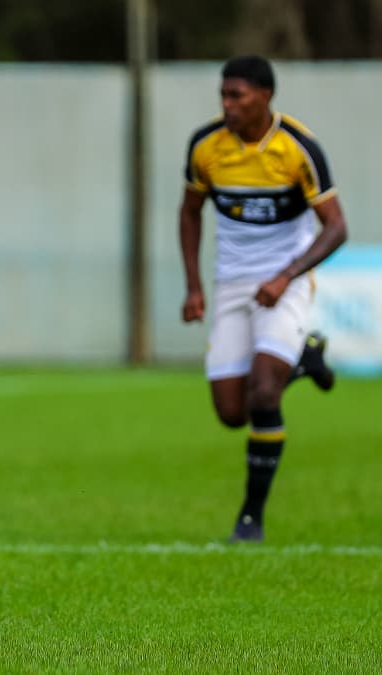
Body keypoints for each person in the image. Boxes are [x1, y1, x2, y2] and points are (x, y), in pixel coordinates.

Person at [179, 55, 348, 542]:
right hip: (233, 284)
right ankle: (305, 361)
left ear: (265, 97)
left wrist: (286, 275)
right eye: (223, 95)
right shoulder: (206, 146)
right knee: (232, 412)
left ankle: (250, 518)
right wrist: (194, 286)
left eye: (237, 96)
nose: (227, 105)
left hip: (286, 281)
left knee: (264, 393)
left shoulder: (298, 148)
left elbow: (336, 227)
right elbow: (189, 212)